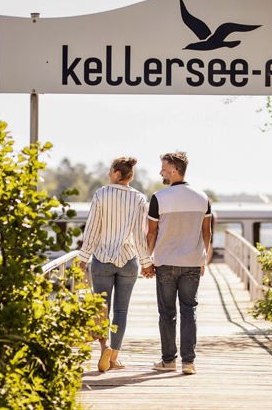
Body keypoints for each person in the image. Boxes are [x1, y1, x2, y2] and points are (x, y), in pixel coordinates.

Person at [78, 157, 155, 372]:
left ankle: (105, 347)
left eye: (110, 171)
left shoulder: (101, 194)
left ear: (117, 174)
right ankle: (113, 359)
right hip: (128, 260)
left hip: (102, 258)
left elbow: (92, 228)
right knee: (121, 311)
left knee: (102, 309)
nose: (108, 174)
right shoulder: (139, 198)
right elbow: (140, 235)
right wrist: (146, 263)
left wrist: (83, 257)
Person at [145, 151, 211, 375]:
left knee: (167, 313)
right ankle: (188, 362)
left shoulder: (158, 198)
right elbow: (206, 232)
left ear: (174, 171)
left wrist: (147, 261)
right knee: (189, 310)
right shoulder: (202, 198)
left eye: (163, 169)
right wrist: (202, 259)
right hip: (192, 262)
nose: (160, 172)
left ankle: (168, 361)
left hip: (166, 262)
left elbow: (151, 234)